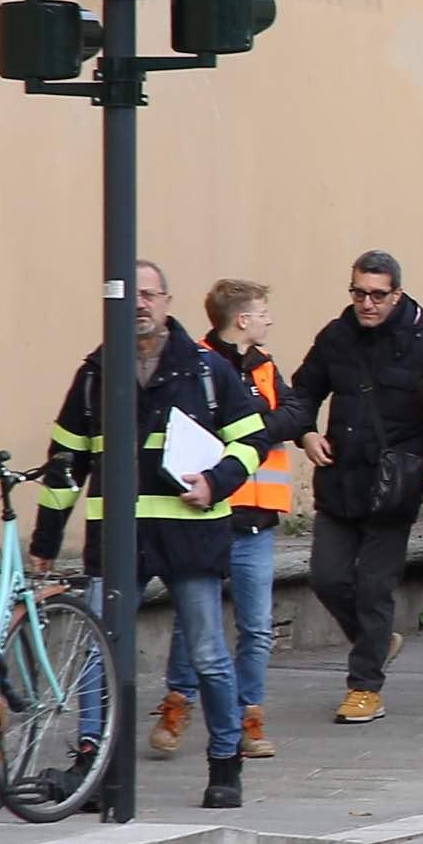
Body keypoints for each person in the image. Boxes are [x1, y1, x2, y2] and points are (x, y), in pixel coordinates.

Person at [31, 260, 270, 810]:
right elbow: (64, 462)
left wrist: (217, 482)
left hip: (189, 536)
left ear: (166, 300)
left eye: (148, 294)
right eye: (128, 295)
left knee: (209, 655)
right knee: (97, 655)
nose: (139, 304)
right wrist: (45, 543)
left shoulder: (205, 369)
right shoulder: (96, 373)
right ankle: (94, 764)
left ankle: (225, 764)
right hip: (117, 538)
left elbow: (252, 438)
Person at [275, 250, 423, 725]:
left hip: (394, 485)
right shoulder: (336, 337)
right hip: (340, 478)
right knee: (328, 576)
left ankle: (364, 687)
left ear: (397, 293)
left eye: (377, 295)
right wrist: (306, 432)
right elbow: (303, 390)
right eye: (359, 293)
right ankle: (377, 642)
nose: (367, 304)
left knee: (375, 587)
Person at [149, 279, 290, 762]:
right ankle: (178, 703)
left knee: (256, 626)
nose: (270, 320)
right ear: (242, 319)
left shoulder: (267, 367)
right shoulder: (196, 367)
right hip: (207, 513)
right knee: (195, 624)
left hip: (256, 516)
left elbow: (292, 415)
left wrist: (265, 425)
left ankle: (250, 715)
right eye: (264, 312)